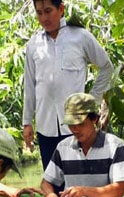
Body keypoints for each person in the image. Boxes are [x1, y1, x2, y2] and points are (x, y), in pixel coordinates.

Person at [23, 0, 114, 171]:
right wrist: (27, 122)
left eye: (48, 11)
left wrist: (92, 100)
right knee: (52, 181)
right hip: (45, 127)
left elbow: (106, 67)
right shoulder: (33, 45)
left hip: (76, 126)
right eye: (39, 12)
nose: (44, 18)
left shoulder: (81, 37)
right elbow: (30, 85)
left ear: (61, 9)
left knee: (79, 179)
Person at [40, 93, 124, 197]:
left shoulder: (115, 146)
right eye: (71, 124)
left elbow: (118, 190)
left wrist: (83, 191)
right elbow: (46, 183)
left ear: (94, 119)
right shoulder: (63, 148)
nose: (75, 129)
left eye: (80, 124)